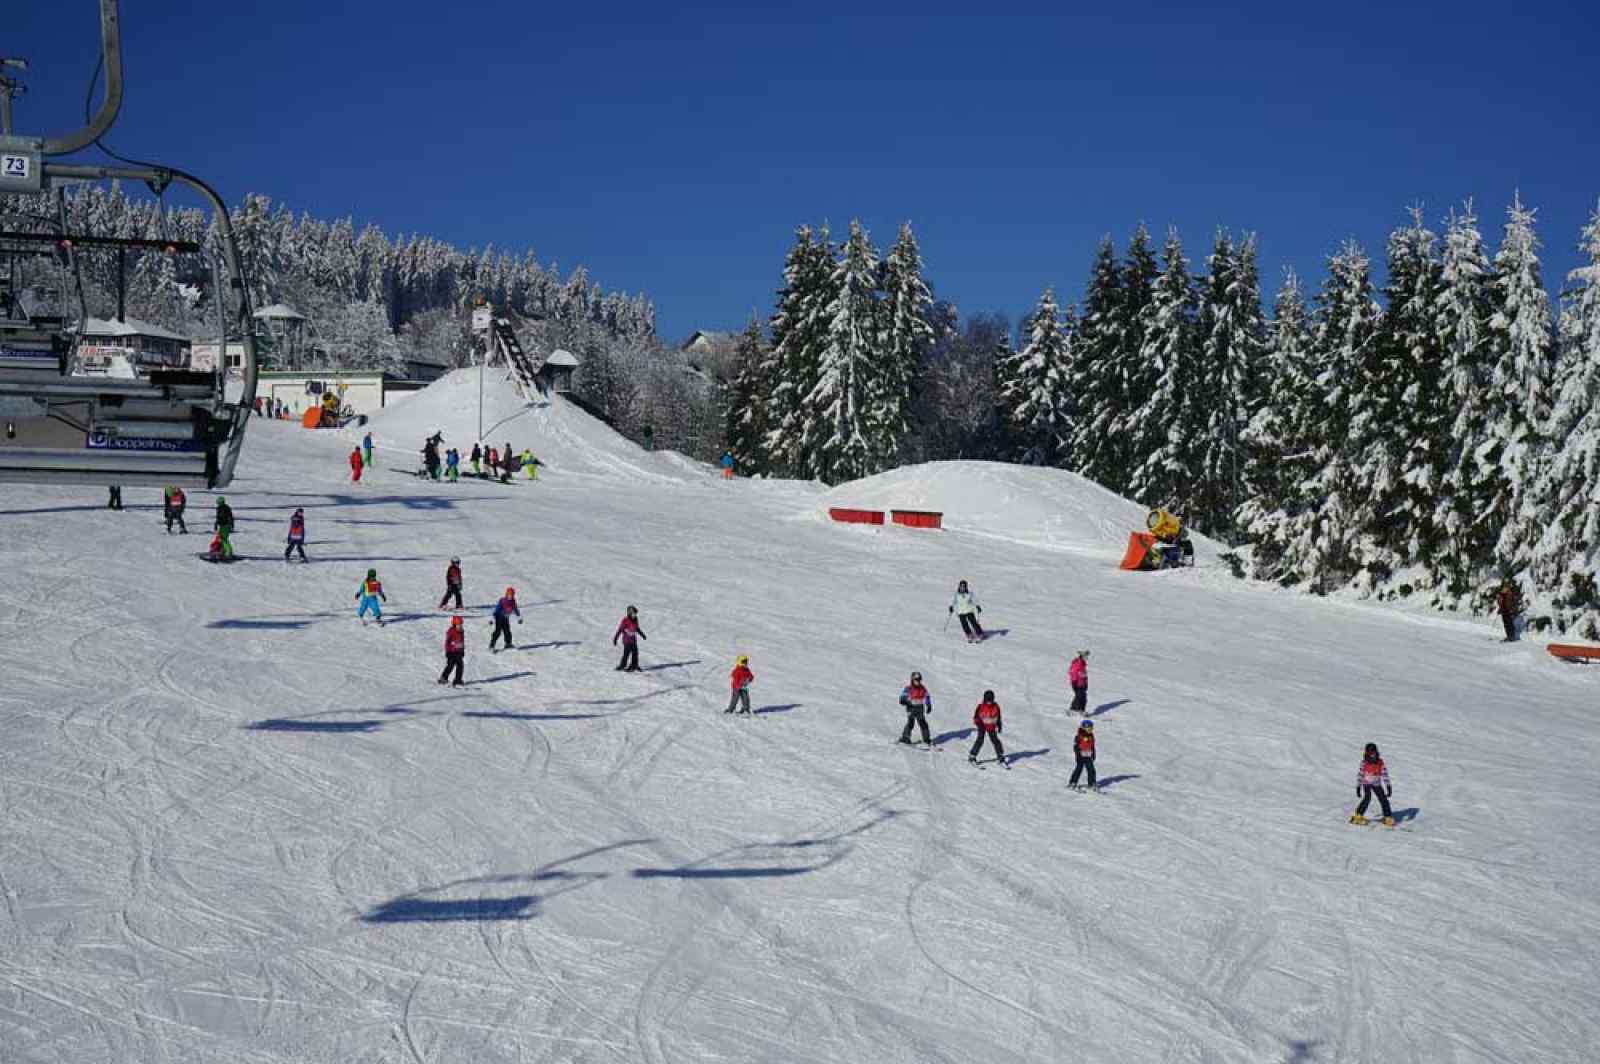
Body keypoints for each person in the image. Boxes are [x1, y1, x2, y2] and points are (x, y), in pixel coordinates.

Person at [1351, 743, 1394, 826]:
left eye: (1374, 753)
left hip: (1376, 783)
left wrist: (1388, 786)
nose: (1372, 756)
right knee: (1367, 798)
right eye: (1370, 754)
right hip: (1366, 783)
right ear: (1367, 753)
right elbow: (1360, 774)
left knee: (1383, 799)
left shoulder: (1380, 762)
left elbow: (1384, 774)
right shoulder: (1364, 763)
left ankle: (1388, 817)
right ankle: (1358, 815)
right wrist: (1358, 786)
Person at [898, 671, 933, 746]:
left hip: (920, 708)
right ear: (912, 680)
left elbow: (927, 696)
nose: (918, 682)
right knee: (911, 723)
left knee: (923, 723)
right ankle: (905, 737)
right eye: (916, 680)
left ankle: (926, 739)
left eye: (919, 680)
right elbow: (902, 697)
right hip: (911, 708)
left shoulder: (922, 688)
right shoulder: (908, 688)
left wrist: (929, 705)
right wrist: (905, 701)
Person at [969, 690, 1004, 764]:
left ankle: (1000, 756)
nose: (989, 702)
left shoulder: (996, 707)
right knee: (980, 740)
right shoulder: (981, 707)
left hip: (991, 727)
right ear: (984, 699)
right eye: (987, 701)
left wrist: (999, 724)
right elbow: (976, 717)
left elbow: (998, 716)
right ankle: (972, 756)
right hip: (982, 726)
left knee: (995, 741)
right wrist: (979, 724)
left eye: (990, 700)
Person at [613, 605, 646, 671]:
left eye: (635, 613)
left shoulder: (635, 619)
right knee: (626, 653)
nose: (635, 615)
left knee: (635, 653)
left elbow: (637, 628)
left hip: (633, 640)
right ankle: (622, 665)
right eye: (634, 613)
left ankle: (634, 665)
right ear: (629, 613)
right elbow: (620, 630)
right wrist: (616, 638)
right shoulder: (625, 620)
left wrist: (642, 634)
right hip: (627, 640)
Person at [1068, 719, 1097, 789]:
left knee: (1091, 769)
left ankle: (1092, 783)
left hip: (1088, 755)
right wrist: (1078, 753)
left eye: (1091, 728)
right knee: (1079, 768)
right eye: (1089, 728)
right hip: (1080, 755)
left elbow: (1092, 746)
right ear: (1084, 728)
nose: (1091, 730)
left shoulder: (1091, 736)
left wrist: (1093, 754)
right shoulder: (1079, 736)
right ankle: (1073, 782)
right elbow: (1075, 746)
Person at [490, 586, 521, 651]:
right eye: (509, 594)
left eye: (512, 595)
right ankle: (492, 645)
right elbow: (497, 609)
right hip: (499, 618)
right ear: (506, 594)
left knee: (507, 631)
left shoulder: (513, 601)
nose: (510, 596)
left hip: (505, 618)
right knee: (497, 632)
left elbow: (515, 609)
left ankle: (508, 644)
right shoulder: (502, 600)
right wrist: (492, 619)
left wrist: (519, 617)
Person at [438, 616, 466, 687]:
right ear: (454, 625)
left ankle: (458, 680)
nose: (460, 626)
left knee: (460, 665)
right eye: (458, 625)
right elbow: (447, 642)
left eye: (461, 624)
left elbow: (462, 641)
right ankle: (443, 678)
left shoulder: (461, 631)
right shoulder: (451, 631)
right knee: (450, 665)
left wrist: (462, 650)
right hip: (451, 652)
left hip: (458, 652)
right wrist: (448, 651)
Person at [1496, 578, 1523, 642]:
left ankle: (1511, 637)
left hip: (1507, 610)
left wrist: (1508, 608)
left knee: (1508, 624)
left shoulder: (1508, 593)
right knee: (1507, 624)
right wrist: (1500, 608)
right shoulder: (1504, 593)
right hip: (1505, 610)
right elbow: (1501, 602)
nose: (1505, 588)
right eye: (1505, 586)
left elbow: (1507, 602)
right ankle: (1510, 636)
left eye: (1506, 586)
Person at [1069, 650, 1090, 716]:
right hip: (1077, 683)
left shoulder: (1082, 664)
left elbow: (1084, 675)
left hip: (1082, 683)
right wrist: (1074, 681)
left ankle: (1079, 710)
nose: (1087, 658)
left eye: (1087, 656)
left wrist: (1086, 684)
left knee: (1082, 697)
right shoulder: (1078, 663)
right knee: (1080, 696)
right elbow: (1073, 672)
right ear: (1082, 656)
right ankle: (1075, 709)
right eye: (1086, 656)